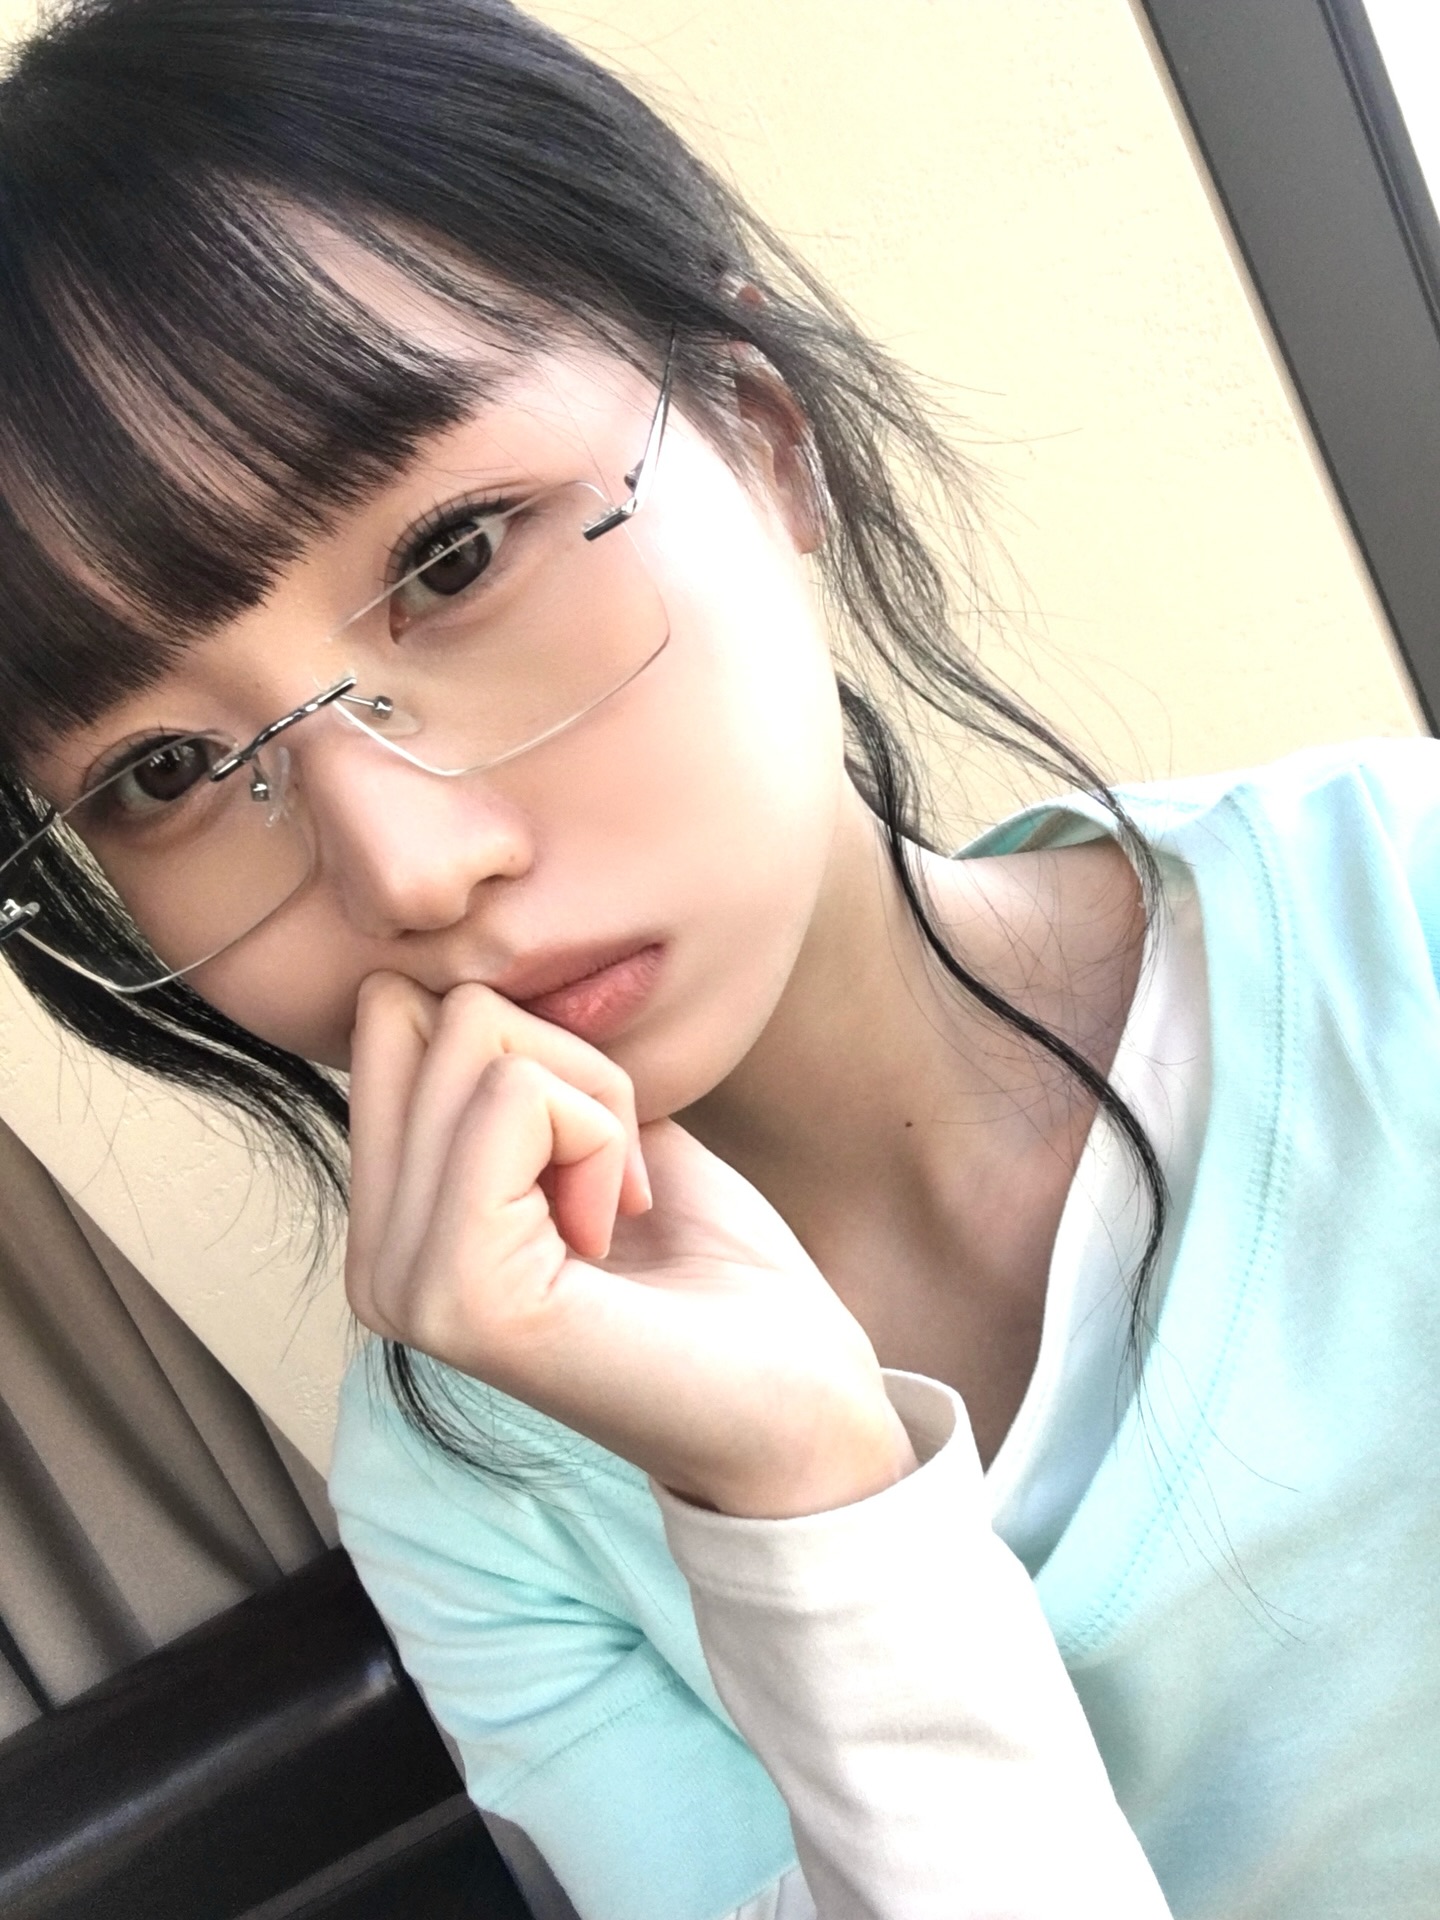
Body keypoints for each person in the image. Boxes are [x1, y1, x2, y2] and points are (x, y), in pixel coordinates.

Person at [0, 2, 1436, 1917]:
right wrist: (802, 1499)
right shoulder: (475, 1491)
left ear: (764, 441)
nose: (407, 869)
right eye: (166, 774)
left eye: (453, 559)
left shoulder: (1404, 916)